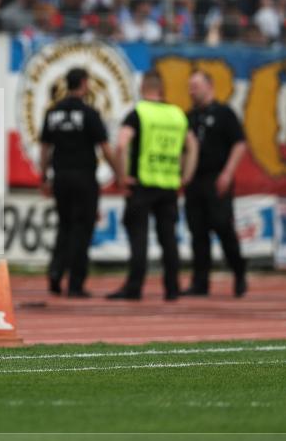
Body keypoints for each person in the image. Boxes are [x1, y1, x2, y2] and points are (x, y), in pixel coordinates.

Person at [108, 71, 198, 301]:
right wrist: (185, 176)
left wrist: (122, 176)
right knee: (169, 239)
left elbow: (120, 145)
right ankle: (172, 288)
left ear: (143, 87)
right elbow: (193, 147)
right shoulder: (177, 114)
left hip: (142, 185)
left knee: (139, 238)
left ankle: (135, 287)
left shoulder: (139, 113)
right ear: (161, 89)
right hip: (169, 186)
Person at [39, 68, 120, 298]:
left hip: (61, 177)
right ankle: (75, 283)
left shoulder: (53, 113)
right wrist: (120, 176)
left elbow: (45, 148)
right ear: (84, 84)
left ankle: (55, 273)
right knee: (82, 229)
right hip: (84, 178)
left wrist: (44, 176)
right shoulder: (89, 113)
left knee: (64, 227)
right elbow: (105, 148)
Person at [184, 71, 247, 297]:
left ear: (209, 86)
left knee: (223, 227)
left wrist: (228, 173)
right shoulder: (188, 116)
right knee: (197, 232)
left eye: (195, 86)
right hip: (195, 180)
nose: (191, 90)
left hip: (217, 178)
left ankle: (239, 272)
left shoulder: (224, 113)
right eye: (190, 86)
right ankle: (200, 282)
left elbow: (239, 144)